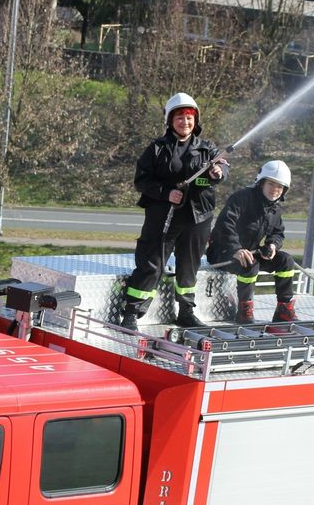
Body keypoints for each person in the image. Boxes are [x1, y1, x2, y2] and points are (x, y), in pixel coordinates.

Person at [119, 92, 228, 331]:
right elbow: (141, 181)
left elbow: (221, 169)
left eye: (189, 117)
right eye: (179, 117)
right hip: (163, 216)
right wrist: (166, 193)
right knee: (152, 263)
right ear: (170, 121)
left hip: (198, 216)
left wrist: (217, 173)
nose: (185, 122)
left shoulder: (207, 148)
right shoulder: (157, 149)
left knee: (189, 266)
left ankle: (186, 311)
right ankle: (131, 313)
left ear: (195, 120)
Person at [207, 160, 298, 324]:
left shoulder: (274, 209)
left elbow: (278, 233)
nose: (275, 190)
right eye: (271, 184)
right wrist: (236, 249)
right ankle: (244, 310)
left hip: (251, 253)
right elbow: (224, 225)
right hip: (223, 253)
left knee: (286, 260)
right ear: (261, 182)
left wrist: (272, 245)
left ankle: (284, 309)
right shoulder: (241, 198)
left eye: (280, 186)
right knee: (250, 263)